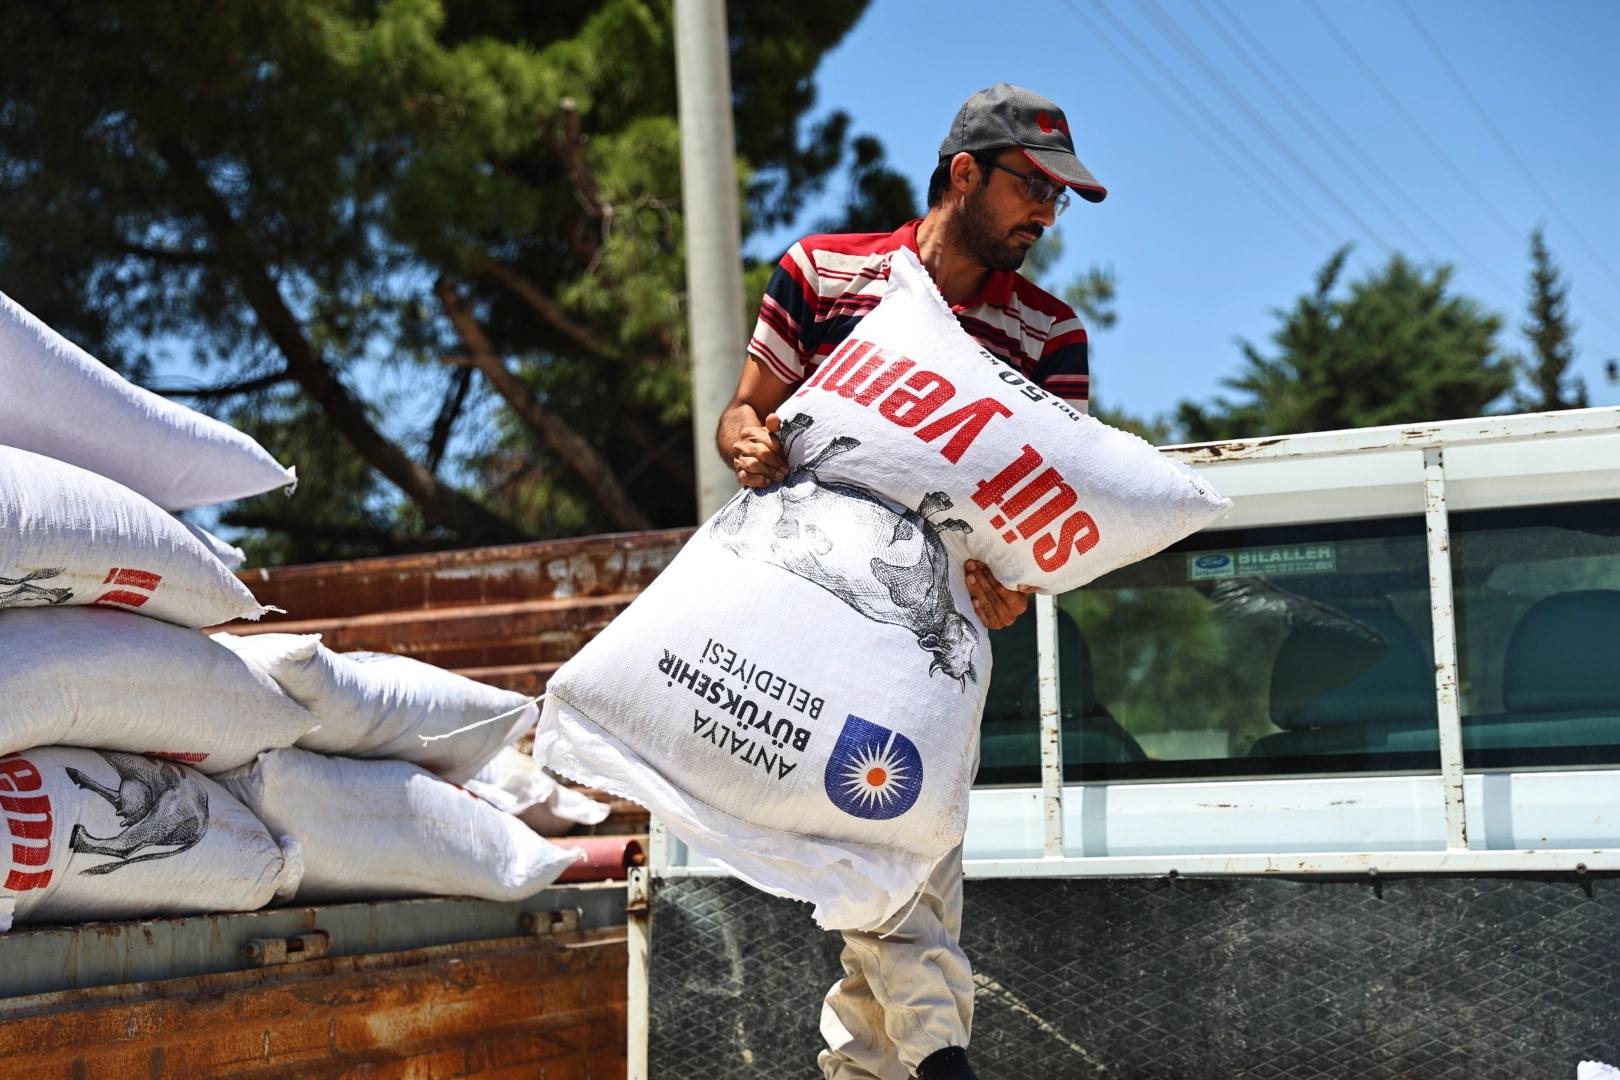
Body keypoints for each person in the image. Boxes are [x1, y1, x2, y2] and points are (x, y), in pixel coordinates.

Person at [716, 83, 1108, 1080]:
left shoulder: (1051, 336)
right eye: (1034, 188)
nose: (1046, 214)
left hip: (938, 649)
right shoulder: (822, 274)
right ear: (965, 172)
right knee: (894, 846)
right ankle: (941, 1057)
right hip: (810, 622)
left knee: (892, 862)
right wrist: (749, 442)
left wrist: (1015, 584)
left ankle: (882, 1068)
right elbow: (743, 411)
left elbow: (1043, 510)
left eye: (1060, 200)